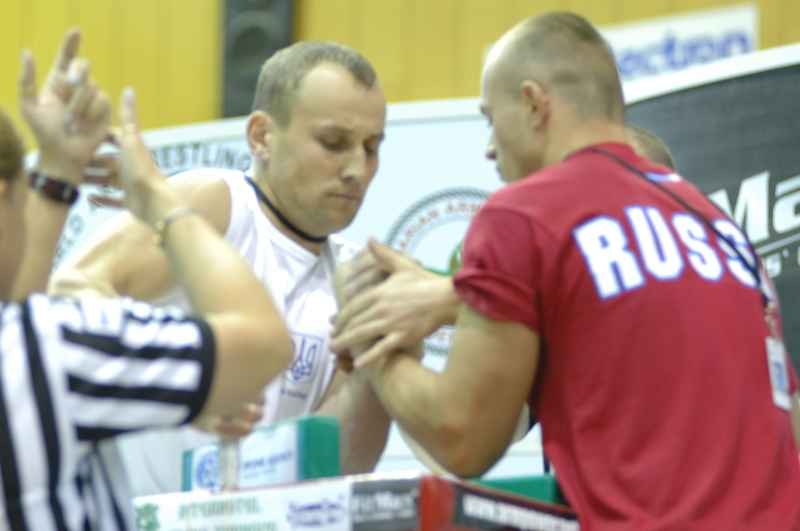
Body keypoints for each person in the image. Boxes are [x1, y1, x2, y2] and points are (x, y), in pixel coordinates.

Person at [331, 12, 800, 530]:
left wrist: (374, 340)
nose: (488, 147)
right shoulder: (722, 230)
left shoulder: (524, 213)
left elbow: (461, 440)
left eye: (491, 118)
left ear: (533, 103)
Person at [49, 41, 391, 495]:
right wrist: (184, 386)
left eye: (372, 147)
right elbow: (68, 293)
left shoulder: (351, 275)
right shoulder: (216, 202)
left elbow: (333, 469)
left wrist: (372, 367)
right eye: (334, 143)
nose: (357, 168)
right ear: (261, 136)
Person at [1, 31, 293, 529]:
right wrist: (159, 200)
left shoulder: (30, 350)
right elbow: (263, 343)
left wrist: (55, 175)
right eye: (21, 200)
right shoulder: (54, 348)